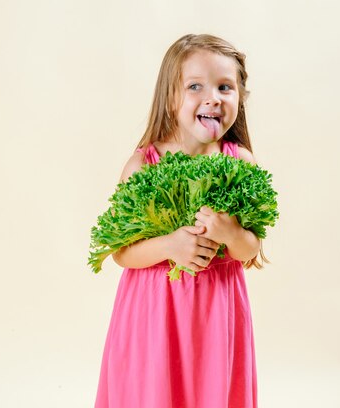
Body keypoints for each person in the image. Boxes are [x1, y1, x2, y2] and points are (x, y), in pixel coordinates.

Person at [94, 34, 267, 408]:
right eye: (195, 86)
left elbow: (251, 249)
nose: (213, 97)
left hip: (214, 312)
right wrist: (171, 246)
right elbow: (122, 252)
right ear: (170, 98)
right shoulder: (143, 164)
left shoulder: (241, 163)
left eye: (225, 87)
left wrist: (231, 232)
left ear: (240, 97)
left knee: (210, 391)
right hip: (153, 312)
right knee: (152, 391)